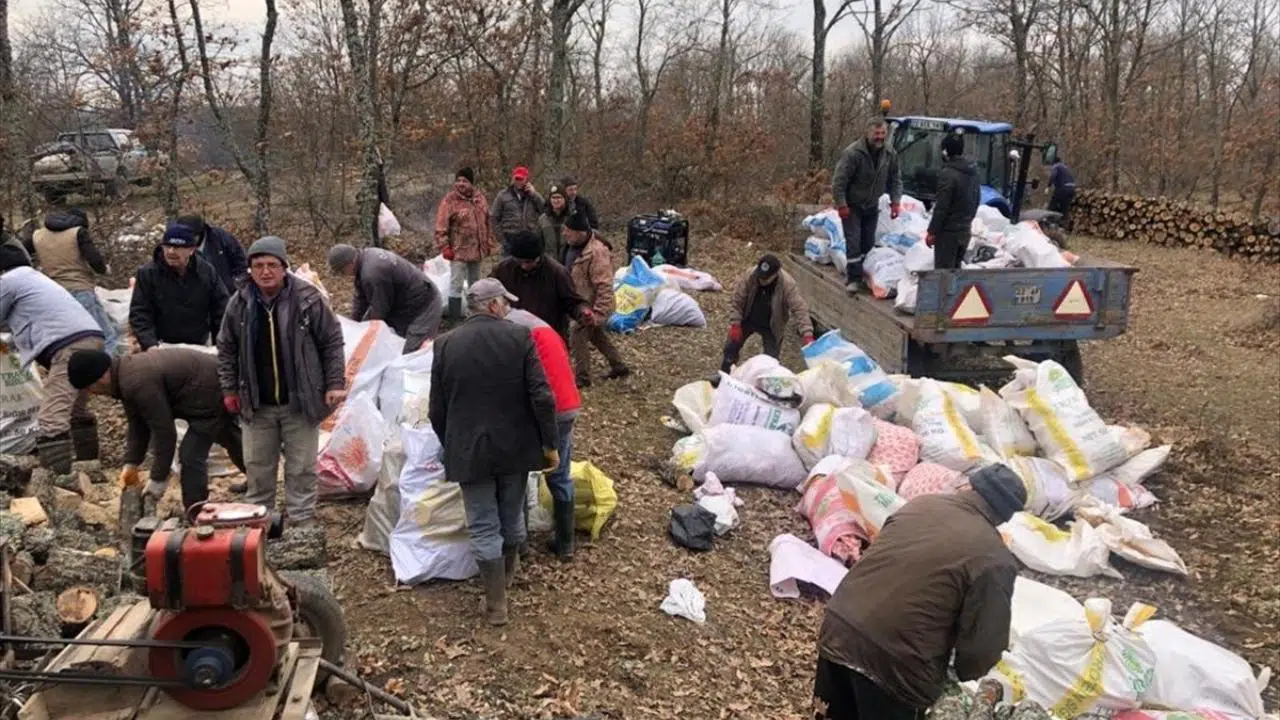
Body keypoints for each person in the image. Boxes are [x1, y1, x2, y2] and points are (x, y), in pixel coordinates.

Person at [815, 464, 1026, 719]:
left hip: (840, 626)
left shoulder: (922, 505)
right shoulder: (995, 558)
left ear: (970, 486)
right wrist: (963, 671)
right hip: (896, 665)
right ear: (1006, 515)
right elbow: (983, 644)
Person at [429, 279, 558, 625]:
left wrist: (451, 443)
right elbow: (542, 396)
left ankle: (496, 604)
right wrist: (549, 442)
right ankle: (508, 577)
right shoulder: (518, 338)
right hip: (515, 447)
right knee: (512, 515)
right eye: (504, 303)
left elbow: (436, 410)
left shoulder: (444, 344)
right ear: (493, 305)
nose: (507, 309)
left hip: (469, 450)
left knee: (483, 525)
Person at [216, 236, 346, 526]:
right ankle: (258, 522)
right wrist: (229, 388)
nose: (265, 272)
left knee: (302, 468)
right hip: (257, 403)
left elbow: (332, 342)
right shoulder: (239, 304)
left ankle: (302, 522)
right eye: (258, 265)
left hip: (300, 402)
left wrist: (335, 382)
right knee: (258, 467)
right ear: (250, 269)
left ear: (284, 267)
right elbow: (225, 348)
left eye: (272, 265)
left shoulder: (308, 299)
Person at [66, 347, 245, 513]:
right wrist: (131, 463)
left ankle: (195, 509)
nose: (91, 393)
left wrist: (158, 479)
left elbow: (164, 433)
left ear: (101, 377)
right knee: (228, 435)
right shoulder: (124, 375)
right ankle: (257, 476)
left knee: (190, 455)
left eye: (90, 388)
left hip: (211, 391)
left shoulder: (136, 383)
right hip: (203, 387)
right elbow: (138, 425)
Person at [0, 245, 105, 473]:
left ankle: (57, 482)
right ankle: (90, 470)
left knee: (51, 417)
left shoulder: (9, 281)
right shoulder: (36, 278)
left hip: (68, 346)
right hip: (91, 338)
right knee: (76, 409)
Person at [506, 308, 581, 559]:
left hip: (546, 407)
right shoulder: (545, 329)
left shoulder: (515, 334)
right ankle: (565, 545)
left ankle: (522, 543)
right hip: (568, 404)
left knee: (521, 471)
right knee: (560, 474)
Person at [21, 208, 118, 353]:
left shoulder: (38, 235)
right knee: (106, 336)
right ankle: (109, 371)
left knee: (70, 340)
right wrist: (104, 269)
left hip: (53, 295)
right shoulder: (78, 233)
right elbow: (95, 260)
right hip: (79, 290)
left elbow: (19, 253)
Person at [326, 244, 443, 353]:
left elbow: (380, 309)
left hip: (425, 305)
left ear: (349, 265)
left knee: (412, 352)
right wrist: (354, 325)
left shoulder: (372, 274)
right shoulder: (365, 257)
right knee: (394, 341)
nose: (343, 275)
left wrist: (365, 334)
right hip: (405, 303)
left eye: (342, 271)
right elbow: (361, 299)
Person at [130, 224, 228, 351]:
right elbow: (140, 313)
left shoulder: (206, 272)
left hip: (198, 345)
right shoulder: (148, 273)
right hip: (161, 345)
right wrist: (150, 344)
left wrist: (220, 346)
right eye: (167, 246)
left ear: (191, 250)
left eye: (177, 247)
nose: (171, 251)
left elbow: (221, 309)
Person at [832, 119, 903, 293]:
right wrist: (841, 204)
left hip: (872, 205)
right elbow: (839, 182)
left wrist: (895, 202)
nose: (879, 138)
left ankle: (865, 275)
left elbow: (896, 179)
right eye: (876, 134)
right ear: (867, 133)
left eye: (882, 134)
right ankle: (854, 279)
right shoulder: (853, 153)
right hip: (852, 205)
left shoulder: (889, 154)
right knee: (854, 242)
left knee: (868, 244)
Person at [562, 212, 629, 386]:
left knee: (578, 334)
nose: (564, 233)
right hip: (581, 302)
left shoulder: (597, 253)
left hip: (593, 306)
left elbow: (605, 287)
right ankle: (619, 366)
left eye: (568, 231)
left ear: (581, 232)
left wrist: (597, 314)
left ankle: (582, 378)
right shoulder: (572, 246)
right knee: (597, 336)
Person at [490, 230, 590, 343]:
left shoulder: (556, 272)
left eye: (528, 262)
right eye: (519, 261)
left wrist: (582, 312)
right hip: (514, 337)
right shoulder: (502, 270)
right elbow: (489, 294)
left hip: (549, 335)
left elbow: (571, 302)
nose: (524, 266)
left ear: (538, 256)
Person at [721, 254, 813, 374]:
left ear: (775, 274)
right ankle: (724, 374)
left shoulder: (787, 284)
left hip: (772, 325)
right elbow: (738, 300)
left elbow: (799, 309)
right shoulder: (750, 275)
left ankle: (766, 385)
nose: (762, 280)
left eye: (766, 278)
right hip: (748, 318)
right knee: (730, 348)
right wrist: (735, 323)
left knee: (771, 361)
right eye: (761, 277)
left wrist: (807, 333)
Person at [435, 167, 495, 320]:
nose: (461, 184)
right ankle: (454, 321)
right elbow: (441, 225)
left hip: (477, 251)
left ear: (471, 183)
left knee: (475, 284)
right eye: (458, 180)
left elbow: (487, 221)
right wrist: (445, 247)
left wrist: (488, 242)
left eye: (465, 181)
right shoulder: (450, 200)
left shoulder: (480, 198)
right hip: (458, 251)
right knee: (456, 285)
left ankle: (475, 316)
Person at [924, 133, 980, 270]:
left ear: (945, 151)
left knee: (943, 274)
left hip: (948, 234)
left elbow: (942, 206)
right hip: (965, 231)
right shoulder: (973, 172)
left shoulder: (948, 174)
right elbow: (976, 200)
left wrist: (932, 231)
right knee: (956, 272)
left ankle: (944, 293)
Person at [173, 214, 248, 294]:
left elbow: (241, 264)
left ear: (200, 233)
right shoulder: (175, 247)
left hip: (229, 294)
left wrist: (236, 286)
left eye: (190, 237)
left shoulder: (221, 238)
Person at [490, 166, 544, 254]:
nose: (518, 182)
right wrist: (502, 240)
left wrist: (535, 195)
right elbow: (494, 218)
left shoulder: (533, 196)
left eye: (521, 179)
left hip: (530, 239)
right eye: (516, 179)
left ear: (527, 179)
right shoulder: (503, 195)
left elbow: (544, 210)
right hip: (510, 240)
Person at [539, 185, 572, 263]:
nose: (556, 201)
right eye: (553, 198)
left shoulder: (572, 217)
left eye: (559, 197)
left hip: (569, 262)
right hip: (549, 263)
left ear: (565, 199)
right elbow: (539, 244)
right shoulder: (542, 219)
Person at [1047, 155, 1077, 230]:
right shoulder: (1065, 167)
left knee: (1052, 205)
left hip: (1063, 188)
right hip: (1072, 189)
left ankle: (1048, 222)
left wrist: (1048, 186)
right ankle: (1064, 226)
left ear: (1053, 162)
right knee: (1064, 208)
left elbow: (1053, 176)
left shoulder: (1056, 166)